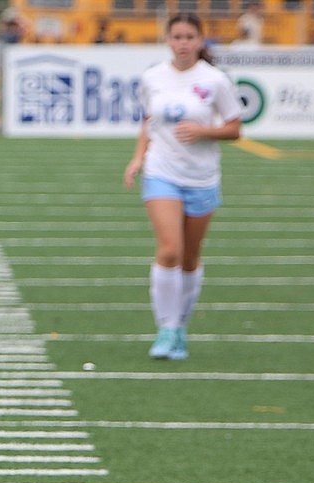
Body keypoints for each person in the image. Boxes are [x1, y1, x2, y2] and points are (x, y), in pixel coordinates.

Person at [123, 13, 242, 361]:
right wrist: (137, 159)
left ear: (201, 40)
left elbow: (235, 128)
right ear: (168, 40)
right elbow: (149, 121)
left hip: (202, 177)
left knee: (190, 258)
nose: (183, 43)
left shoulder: (216, 81)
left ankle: (180, 328)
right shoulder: (152, 78)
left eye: (190, 36)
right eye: (177, 36)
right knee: (170, 249)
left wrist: (204, 130)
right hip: (161, 171)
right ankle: (166, 328)